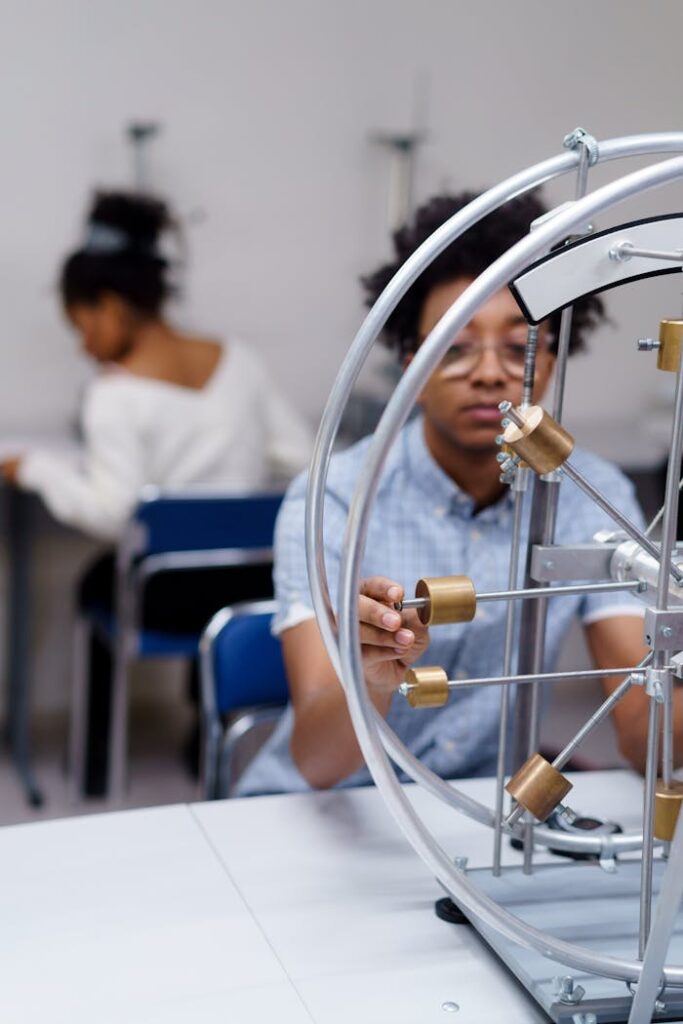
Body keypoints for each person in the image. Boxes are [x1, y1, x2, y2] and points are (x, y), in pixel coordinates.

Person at [237, 189, 679, 798]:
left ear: (553, 359)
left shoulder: (592, 496)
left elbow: (639, 731)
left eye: (520, 346)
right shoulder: (334, 498)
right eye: (458, 347)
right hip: (329, 812)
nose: (491, 372)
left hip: (478, 813)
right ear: (413, 367)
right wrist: (371, 680)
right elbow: (316, 761)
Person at [0, 190, 312, 792]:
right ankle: (206, 743)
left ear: (111, 307)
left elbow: (112, 513)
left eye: (81, 324)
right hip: (249, 587)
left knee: (98, 579)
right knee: (212, 576)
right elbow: (299, 459)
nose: (82, 343)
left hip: (160, 598)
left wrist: (37, 468)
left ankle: (94, 766)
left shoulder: (113, 394)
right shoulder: (239, 361)